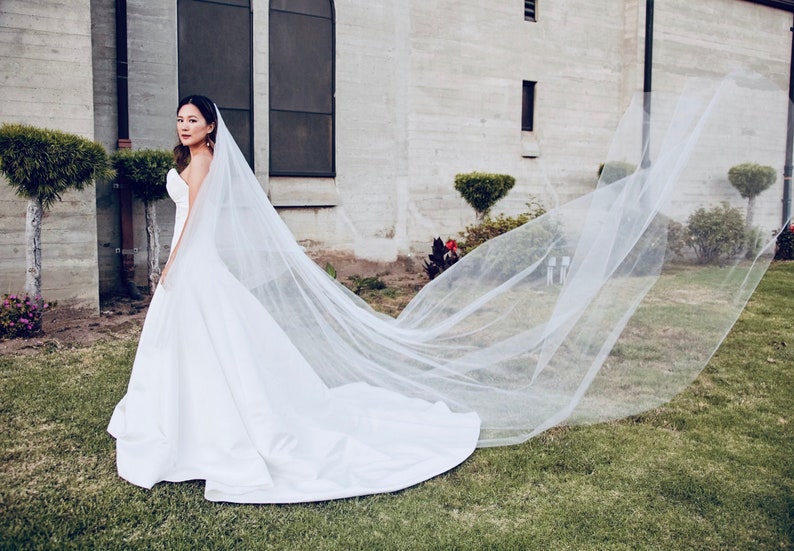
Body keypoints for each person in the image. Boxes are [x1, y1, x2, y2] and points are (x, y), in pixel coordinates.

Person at [110, 72, 784, 504]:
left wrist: (169, 271)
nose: (184, 127)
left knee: (204, 351)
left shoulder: (200, 165)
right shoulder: (202, 160)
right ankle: (189, 426)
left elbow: (194, 222)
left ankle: (190, 431)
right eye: (179, 120)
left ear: (210, 126)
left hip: (192, 270)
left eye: (192, 119)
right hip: (198, 274)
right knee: (209, 353)